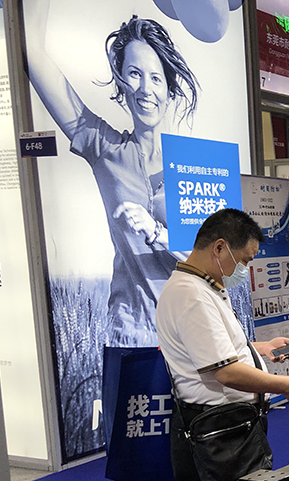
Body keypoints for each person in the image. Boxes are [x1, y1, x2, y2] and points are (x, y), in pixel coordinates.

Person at [28, 2, 199, 346]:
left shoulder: (198, 164)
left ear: (169, 88)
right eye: (134, 74)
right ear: (121, 84)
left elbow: (221, 263)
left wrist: (156, 232)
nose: (145, 89)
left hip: (194, 337)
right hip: (130, 336)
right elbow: (33, 53)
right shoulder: (105, 148)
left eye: (155, 78)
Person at [156, 209, 289, 481]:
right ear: (219, 248)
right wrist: (287, 385)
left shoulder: (203, 287)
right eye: (244, 260)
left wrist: (260, 349)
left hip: (231, 428)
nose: (245, 269)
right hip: (219, 433)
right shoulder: (191, 295)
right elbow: (226, 372)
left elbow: (212, 350)